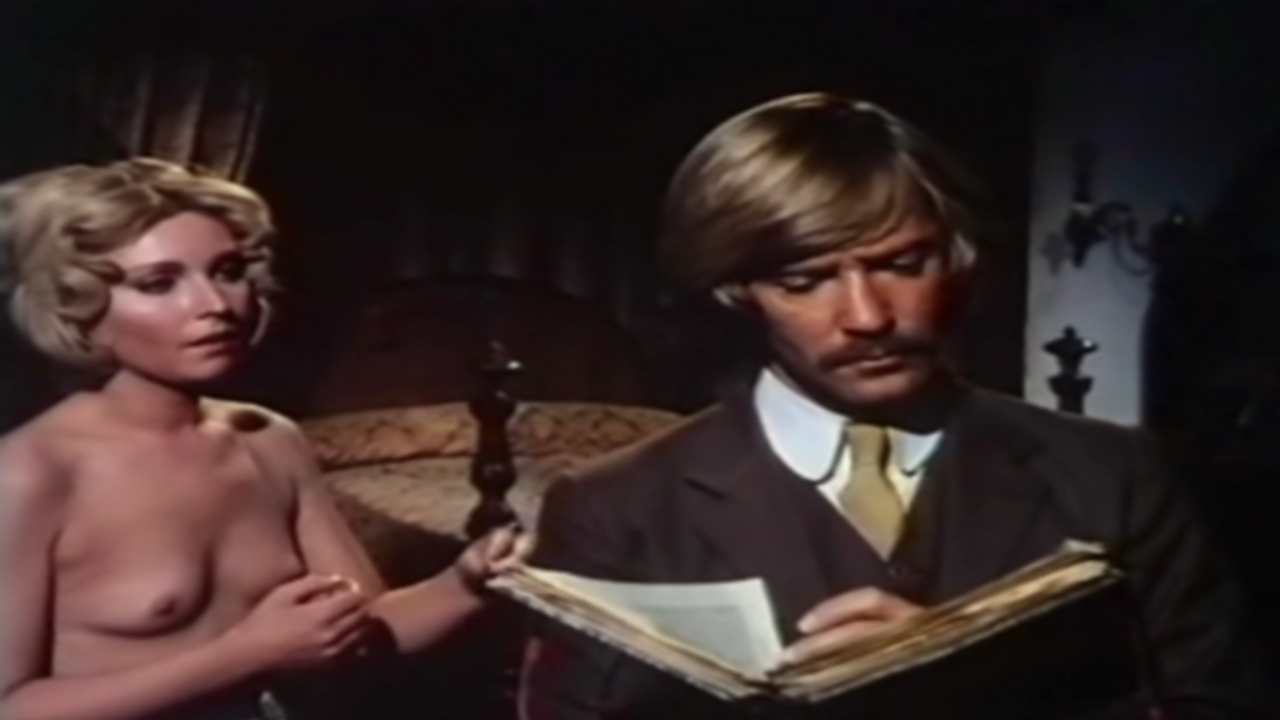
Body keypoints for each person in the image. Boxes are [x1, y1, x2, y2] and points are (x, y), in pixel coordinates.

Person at [518, 93, 1277, 719]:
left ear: (958, 257)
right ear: (735, 291)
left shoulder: (1113, 473)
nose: (869, 316)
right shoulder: (617, 507)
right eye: (805, 281)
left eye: (903, 265)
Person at [0, 158, 530, 720]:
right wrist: (247, 653)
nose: (214, 305)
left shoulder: (266, 439)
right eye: (159, 284)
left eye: (227, 271)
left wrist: (465, 583)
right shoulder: (29, 474)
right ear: (77, 309)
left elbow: (365, 635)